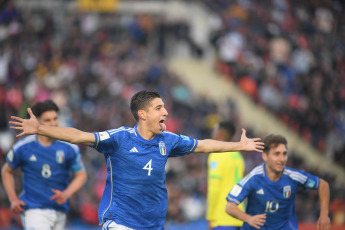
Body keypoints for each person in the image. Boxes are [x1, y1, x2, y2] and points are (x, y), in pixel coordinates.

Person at [9, 90, 264, 230]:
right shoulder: (119, 138)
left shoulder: (169, 140)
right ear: (142, 114)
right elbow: (78, 136)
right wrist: (41, 129)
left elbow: (204, 145)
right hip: (120, 222)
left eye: (164, 107)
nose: (165, 112)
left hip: (152, 224)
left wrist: (238, 145)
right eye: (158, 108)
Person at [2, 100, 87, 230]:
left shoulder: (69, 148)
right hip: (33, 210)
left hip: (59, 210)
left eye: (55, 118)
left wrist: (66, 194)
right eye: (47, 120)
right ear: (37, 122)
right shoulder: (23, 147)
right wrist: (13, 199)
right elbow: (6, 171)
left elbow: (81, 175)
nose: (53, 123)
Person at [225, 134, 331, 230]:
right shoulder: (254, 178)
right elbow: (230, 206)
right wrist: (248, 219)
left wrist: (324, 215)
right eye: (276, 154)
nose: (282, 159)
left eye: (284, 154)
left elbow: (323, 185)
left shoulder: (293, 177)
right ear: (265, 156)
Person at [207, 121, 245, 230]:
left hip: (221, 217)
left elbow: (214, 189)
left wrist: (210, 217)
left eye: (214, 130)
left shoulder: (217, 154)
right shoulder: (238, 156)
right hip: (237, 216)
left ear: (221, 133)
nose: (212, 133)